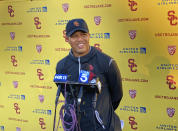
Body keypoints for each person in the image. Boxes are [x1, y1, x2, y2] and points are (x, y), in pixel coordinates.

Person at [55, 18, 123, 131]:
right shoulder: (62, 66)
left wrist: (98, 114)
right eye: (74, 36)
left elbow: (117, 96)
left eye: (83, 34)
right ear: (67, 39)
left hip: (104, 127)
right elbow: (66, 94)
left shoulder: (107, 62)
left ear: (89, 35)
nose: (80, 39)